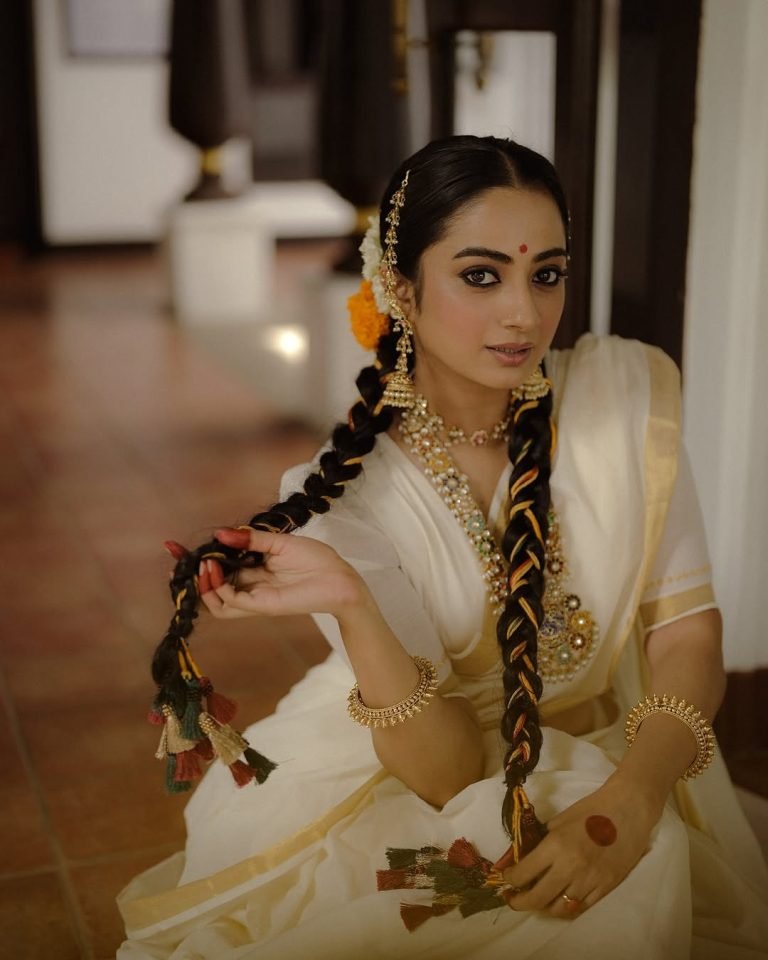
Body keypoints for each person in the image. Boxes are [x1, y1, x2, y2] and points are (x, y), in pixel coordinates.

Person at [117, 135, 768, 959]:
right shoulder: (343, 493)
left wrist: (631, 803)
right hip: (412, 768)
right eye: (481, 275)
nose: (524, 315)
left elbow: (686, 632)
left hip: (627, 752)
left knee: (650, 861)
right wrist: (352, 601)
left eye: (548, 274)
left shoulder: (623, 397)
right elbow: (449, 773)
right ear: (398, 286)